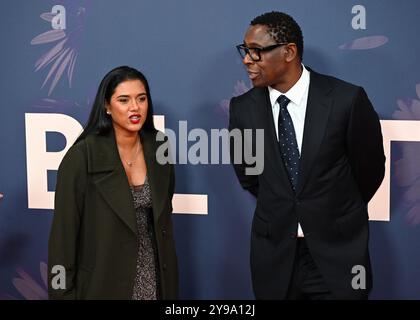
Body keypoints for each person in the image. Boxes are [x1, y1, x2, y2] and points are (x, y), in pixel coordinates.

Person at [229, 11, 385, 300]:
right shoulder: (242, 109)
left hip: (338, 257)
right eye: (245, 50)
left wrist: (331, 211)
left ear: (289, 52)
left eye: (256, 52)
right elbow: (249, 176)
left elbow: (370, 170)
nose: (247, 60)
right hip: (274, 258)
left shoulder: (346, 100)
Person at [48, 66, 178, 299]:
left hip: (156, 282)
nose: (135, 108)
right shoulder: (82, 157)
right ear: (107, 106)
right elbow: (63, 239)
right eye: (123, 100)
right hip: (103, 283)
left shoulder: (160, 147)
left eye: (141, 98)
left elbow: (164, 214)